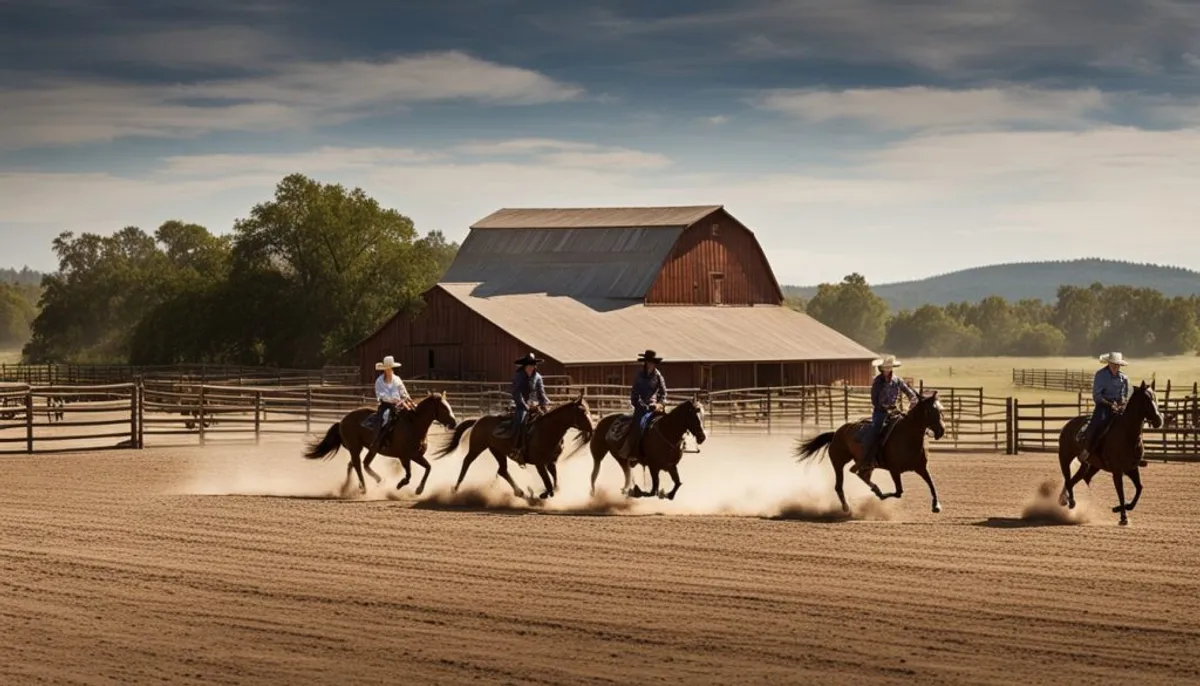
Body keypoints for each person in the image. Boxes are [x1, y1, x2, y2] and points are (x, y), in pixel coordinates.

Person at [855, 354, 919, 473]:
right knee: (875, 432)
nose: (888, 370)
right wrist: (884, 407)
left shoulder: (897, 380)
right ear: (882, 369)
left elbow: (907, 390)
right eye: (886, 368)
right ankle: (867, 459)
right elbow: (874, 400)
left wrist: (913, 398)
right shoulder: (877, 382)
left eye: (890, 368)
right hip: (880, 413)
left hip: (895, 411)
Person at [1079, 352, 1130, 465]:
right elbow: (1097, 395)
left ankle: (1131, 454)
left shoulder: (1123, 378)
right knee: (1099, 424)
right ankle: (1087, 450)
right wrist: (1109, 404)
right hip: (1103, 405)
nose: (1115, 366)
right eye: (1113, 364)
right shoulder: (1100, 375)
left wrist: (1122, 401)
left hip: (1118, 406)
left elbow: (1125, 394)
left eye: (1117, 365)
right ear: (1109, 363)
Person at [626, 349, 667, 466]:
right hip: (641, 407)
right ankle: (634, 453)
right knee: (636, 426)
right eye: (648, 362)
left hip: (656, 407)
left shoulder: (658, 376)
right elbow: (634, 395)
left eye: (652, 362)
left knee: (667, 424)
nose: (650, 364)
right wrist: (643, 406)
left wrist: (659, 404)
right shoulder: (639, 376)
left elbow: (664, 393)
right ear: (645, 363)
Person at [511, 352, 550, 465]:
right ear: (524, 366)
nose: (530, 367)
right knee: (521, 420)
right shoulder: (519, 376)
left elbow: (541, 393)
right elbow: (516, 393)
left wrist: (545, 404)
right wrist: (524, 405)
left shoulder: (538, 377)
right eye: (528, 365)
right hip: (519, 404)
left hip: (534, 404)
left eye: (532, 365)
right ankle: (517, 449)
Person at [370, 355, 414, 451]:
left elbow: (403, 391)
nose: (389, 370)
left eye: (390, 368)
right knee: (386, 417)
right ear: (384, 369)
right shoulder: (379, 381)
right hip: (386, 406)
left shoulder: (397, 379)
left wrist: (407, 399)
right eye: (387, 369)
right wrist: (391, 400)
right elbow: (380, 395)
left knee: (411, 413)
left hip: (399, 404)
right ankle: (381, 440)